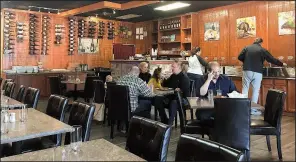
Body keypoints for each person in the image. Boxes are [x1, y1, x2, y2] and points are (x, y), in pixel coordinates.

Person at [238, 38, 287, 103]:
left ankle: (242, 106)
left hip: (247, 71)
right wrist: (281, 64)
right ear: (261, 43)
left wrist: (246, 61)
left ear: (254, 42)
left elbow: (239, 57)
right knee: (255, 90)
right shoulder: (262, 50)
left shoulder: (246, 48)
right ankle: (253, 108)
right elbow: (271, 59)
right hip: (257, 72)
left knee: (245, 89)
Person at [154, 60, 190, 125]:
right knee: (157, 99)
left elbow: (183, 92)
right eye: (171, 67)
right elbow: (165, 85)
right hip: (171, 97)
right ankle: (164, 120)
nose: (171, 68)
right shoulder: (173, 75)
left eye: (173, 67)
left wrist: (177, 90)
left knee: (173, 102)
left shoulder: (184, 78)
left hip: (182, 99)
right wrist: (163, 78)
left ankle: (169, 124)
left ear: (179, 68)